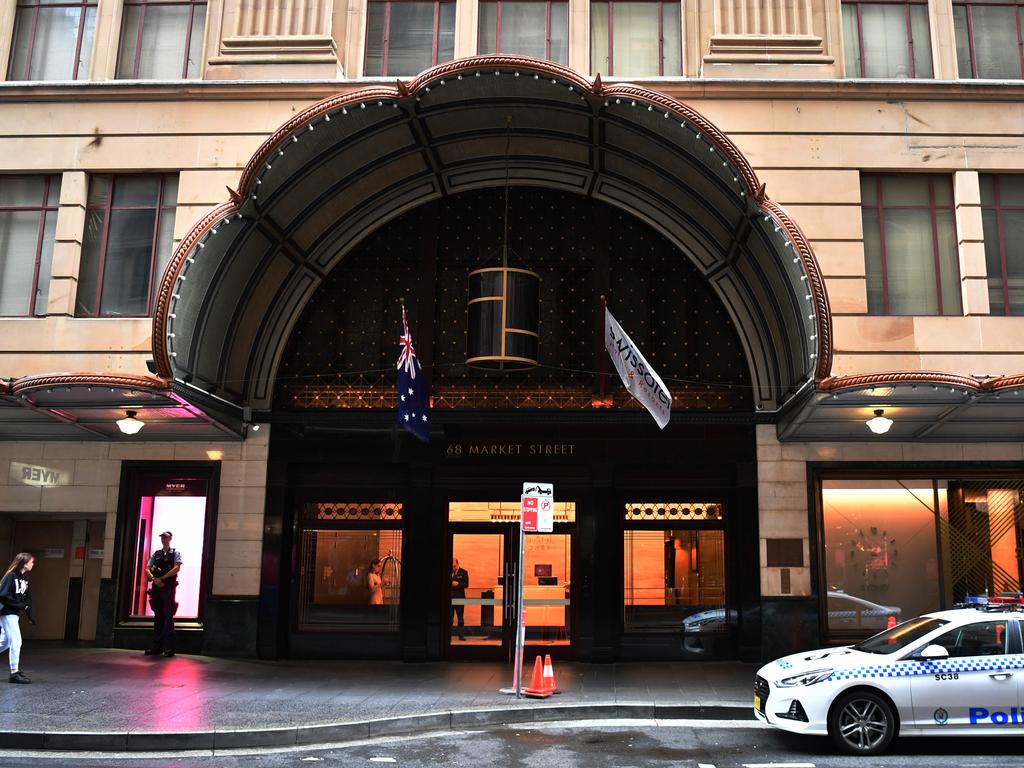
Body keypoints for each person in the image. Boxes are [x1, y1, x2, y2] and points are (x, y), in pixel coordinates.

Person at [144, 531, 182, 658]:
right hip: (157, 588)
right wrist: (155, 579)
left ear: (170, 538)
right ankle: (157, 647)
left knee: (168, 617)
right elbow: (147, 569)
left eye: (165, 537)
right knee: (158, 617)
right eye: (162, 537)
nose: (163, 539)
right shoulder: (157, 554)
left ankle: (169, 648)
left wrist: (163, 579)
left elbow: (176, 568)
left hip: (168, 587)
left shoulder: (175, 553)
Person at [0, 552, 36, 684]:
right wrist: (20, 606)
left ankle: (14, 672)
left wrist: (30, 615)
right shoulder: (11, 576)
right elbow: (2, 595)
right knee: (16, 641)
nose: (33, 564)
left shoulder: (25, 578)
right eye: (31, 562)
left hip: (14, 614)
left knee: (5, 642)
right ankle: (14, 673)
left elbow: (27, 597)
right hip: (7, 612)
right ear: (25, 563)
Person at [451, 558, 468, 640]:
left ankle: (461, 636)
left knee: (460, 618)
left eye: (454, 566)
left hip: (460, 598)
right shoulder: (449, 571)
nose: (453, 567)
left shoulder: (464, 572)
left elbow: (466, 584)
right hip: (450, 599)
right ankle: (448, 636)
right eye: (452, 566)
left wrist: (458, 584)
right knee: (450, 618)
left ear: (457, 564)